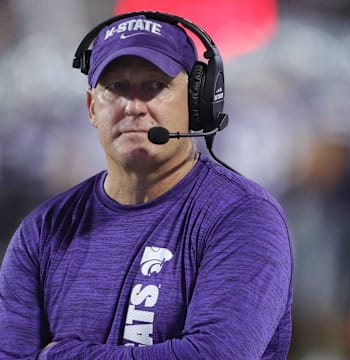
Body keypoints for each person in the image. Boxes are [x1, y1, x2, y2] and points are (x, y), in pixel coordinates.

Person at [0, 11, 293, 359]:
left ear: (195, 102)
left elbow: (215, 355)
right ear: (92, 108)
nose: (133, 107)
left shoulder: (242, 217)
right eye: (116, 87)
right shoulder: (44, 230)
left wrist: (60, 355)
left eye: (155, 86)